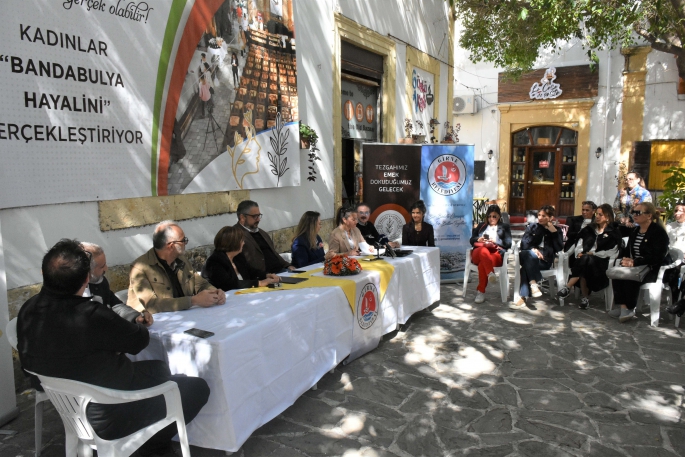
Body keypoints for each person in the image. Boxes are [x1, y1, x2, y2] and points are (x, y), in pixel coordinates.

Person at [17, 239, 210, 456]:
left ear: (44, 274)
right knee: (197, 388)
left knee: (159, 369)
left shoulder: (28, 308)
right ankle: (149, 445)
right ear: (85, 280)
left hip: (67, 404)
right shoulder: (91, 315)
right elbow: (139, 341)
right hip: (110, 412)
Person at [128, 220, 226, 314]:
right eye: (183, 240)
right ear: (171, 246)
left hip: (187, 316)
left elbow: (200, 284)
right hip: (161, 324)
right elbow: (151, 305)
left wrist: (215, 292)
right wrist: (192, 301)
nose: (185, 243)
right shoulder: (140, 268)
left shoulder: (182, 260)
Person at [609, 202, 670, 323]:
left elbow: (657, 256)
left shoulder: (658, 232)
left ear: (649, 216)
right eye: (633, 212)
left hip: (652, 268)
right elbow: (628, 250)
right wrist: (626, 259)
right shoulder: (635, 231)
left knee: (629, 276)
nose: (634, 215)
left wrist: (635, 262)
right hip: (636, 265)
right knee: (617, 273)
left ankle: (629, 308)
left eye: (638, 212)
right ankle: (623, 307)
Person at [556, 204, 622, 309]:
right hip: (585, 260)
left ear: (608, 217)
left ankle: (568, 287)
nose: (597, 216)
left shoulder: (613, 232)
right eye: (597, 214)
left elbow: (612, 251)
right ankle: (584, 298)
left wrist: (593, 254)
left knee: (585, 260)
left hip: (602, 263)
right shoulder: (589, 229)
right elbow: (579, 243)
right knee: (585, 261)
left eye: (601, 214)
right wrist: (580, 252)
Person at [81, 242, 153, 326]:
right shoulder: (71, 290)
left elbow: (115, 305)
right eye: (102, 266)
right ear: (87, 270)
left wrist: (136, 317)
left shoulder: (100, 281)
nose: (106, 268)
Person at [512, 205, 563, 307]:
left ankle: (524, 296)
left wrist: (553, 232)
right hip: (529, 256)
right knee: (528, 254)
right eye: (539, 215)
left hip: (543, 261)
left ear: (551, 218)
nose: (540, 218)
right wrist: (534, 249)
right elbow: (524, 244)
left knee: (524, 268)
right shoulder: (533, 227)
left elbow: (559, 248)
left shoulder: (556, 231)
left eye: (544, 216)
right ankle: (533, 285)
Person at [202, 226, 280, 290]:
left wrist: (266, 275)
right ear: (234, 243)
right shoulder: (215, 261)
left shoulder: (238, 257)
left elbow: (251, 271)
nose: (244, 243)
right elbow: (229, 284)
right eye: (242, 240)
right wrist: (259, 283)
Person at [235, 200, 295, 276]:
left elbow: (273, 253)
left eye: (259, 215)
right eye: (255, 216)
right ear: (242, 217)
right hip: (264, 277)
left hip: (282, 271)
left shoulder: (261, 232)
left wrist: (288, 265)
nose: (258, 219)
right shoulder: (235, 234)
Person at [469, 205, 512, 304]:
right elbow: (471, 240)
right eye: (489, 216)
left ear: (499, 216)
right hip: (478, 252)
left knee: (482, 264)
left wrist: (496, 241)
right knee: (483, 250)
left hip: (495, 254)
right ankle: (490, 273)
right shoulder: (481, 226)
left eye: (494, 216)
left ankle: (481, 292)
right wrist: (478, 239)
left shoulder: (504, 227)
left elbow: (508, 243)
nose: (491, 219)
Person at [666, 202, 685, 314]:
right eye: (675, 210)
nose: (677, 213)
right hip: (672, 259)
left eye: (680, 210)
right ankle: (676, 301)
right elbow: (665, 244)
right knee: (673, 270)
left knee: (678, 271)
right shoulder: (669, 227)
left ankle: (679, 304)